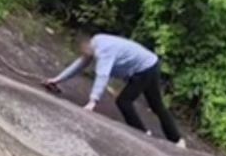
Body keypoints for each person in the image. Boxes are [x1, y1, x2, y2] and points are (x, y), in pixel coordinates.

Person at [43, 30, 186, 148]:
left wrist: (93, 101)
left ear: (86, 47)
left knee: (124, 101)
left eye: (83, 51)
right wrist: (57, 80)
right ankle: (177, 140)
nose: (85, 56)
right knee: (156, 106)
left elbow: (102, 75)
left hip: (145, 68)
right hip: (148, 64)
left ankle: (143, 133)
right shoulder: (96, 41)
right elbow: (79, 64)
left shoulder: (103, 51)